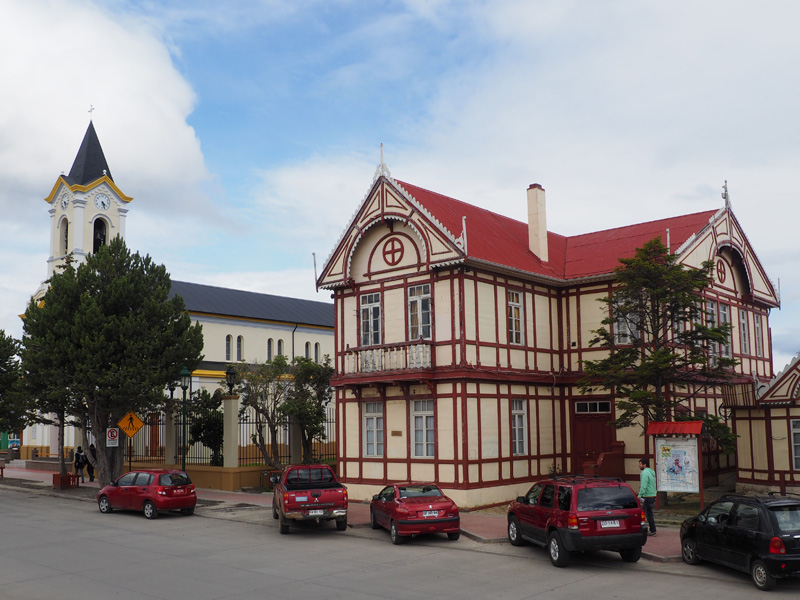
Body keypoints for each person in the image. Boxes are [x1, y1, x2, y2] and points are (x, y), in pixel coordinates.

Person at [638, 458, 657, 536]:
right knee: (646, 512)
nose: (639, 466)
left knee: (648, 514)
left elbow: (644, 485)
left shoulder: (644, 473)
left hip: (647, 495)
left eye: (640, 464)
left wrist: (639, 495)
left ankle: (653, 530)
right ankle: (649, 529)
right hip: (652, 495)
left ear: (644, 465)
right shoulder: (651, 472)